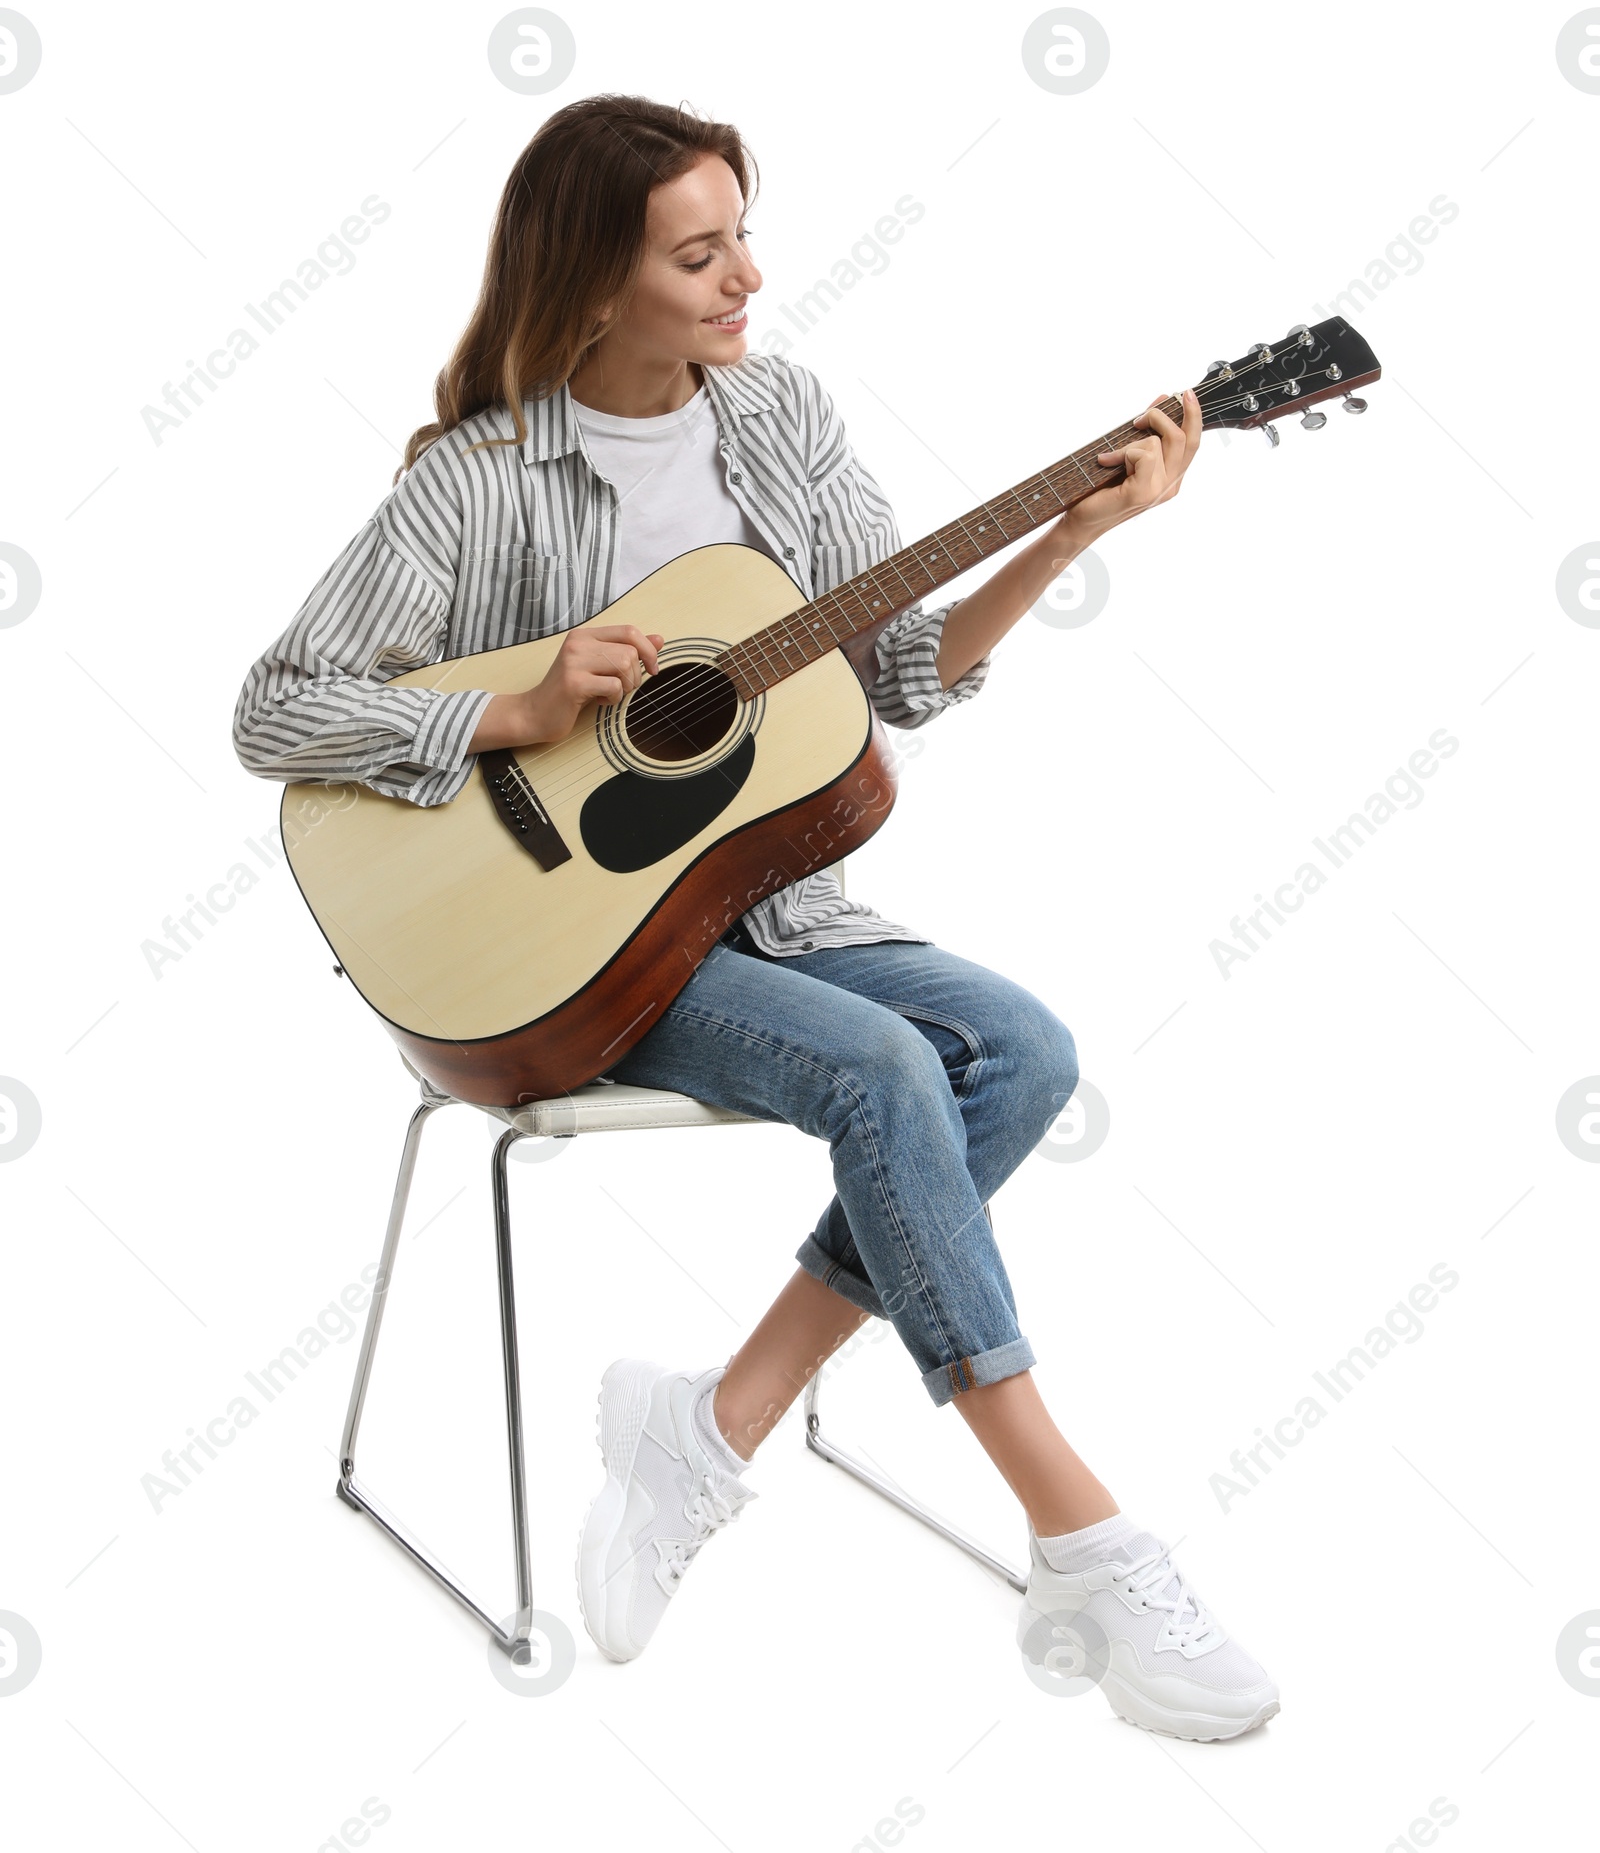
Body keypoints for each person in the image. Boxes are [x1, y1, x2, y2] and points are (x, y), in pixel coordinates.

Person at [233, 94, 1277, 1742]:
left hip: (769, 916)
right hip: (561, 958)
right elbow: (276, 710)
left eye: (743, 237)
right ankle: (1081, 1529)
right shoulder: (475, 481)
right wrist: (506, 714)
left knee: (1022, 1050)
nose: (747, 281)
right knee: (886, 1071)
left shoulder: (775, 419)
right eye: (700, 253)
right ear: (591, 285)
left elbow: (898, 681)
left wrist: (1070, 536)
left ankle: (711, 1428)